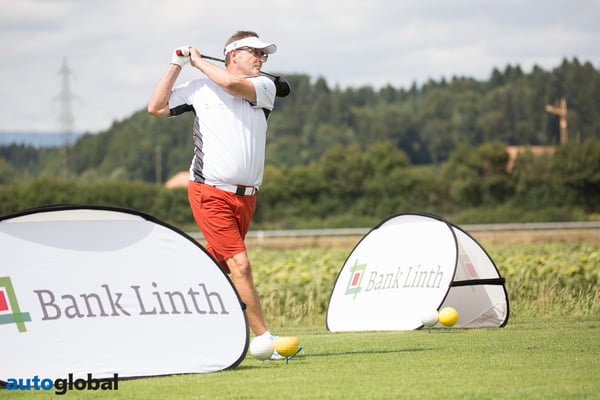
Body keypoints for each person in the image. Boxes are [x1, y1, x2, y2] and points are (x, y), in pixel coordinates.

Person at [147, 31, 286, 356]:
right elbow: (156, 107)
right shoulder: (199, 88)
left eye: (264, 55)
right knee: (240, 265)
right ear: (233, 54)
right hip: (209, 191)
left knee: (214, 263)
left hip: (246, 198)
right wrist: (177, 64)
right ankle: (264, 339)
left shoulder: (263, 87)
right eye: (255, 52)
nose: (262, 59)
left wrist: (197, 62)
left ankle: (164, 301)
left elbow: (231, 84)